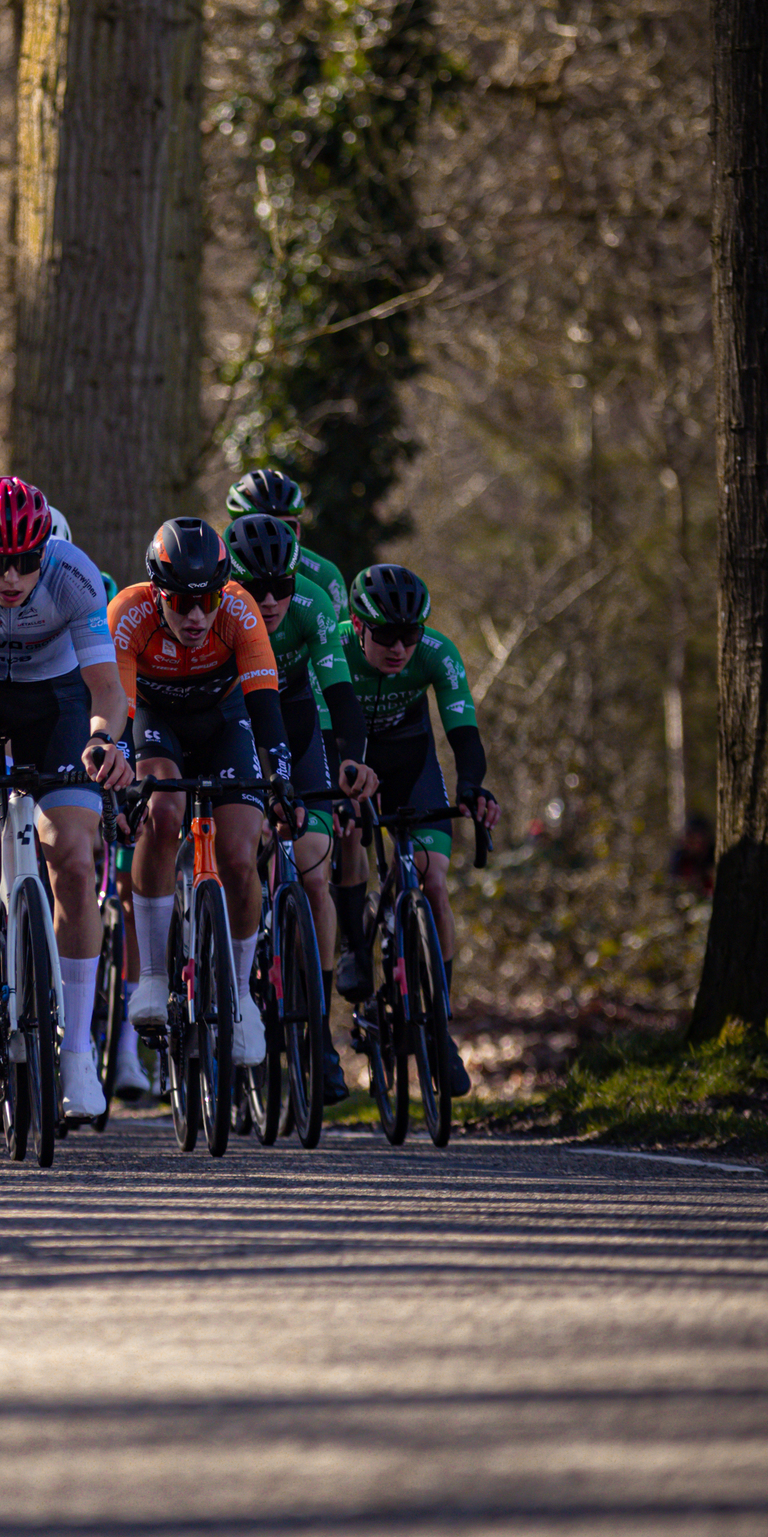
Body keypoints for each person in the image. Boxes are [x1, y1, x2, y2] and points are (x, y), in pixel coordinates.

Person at [0, 476, 131, 1121]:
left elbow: (106, 687)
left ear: (45, 552)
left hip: (56, 702)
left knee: (73, 858)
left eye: (27, 561)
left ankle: (77, 1049)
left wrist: (105, 742)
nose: (13, 576)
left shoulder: (73, 575)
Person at [109, 519, 293, 1068]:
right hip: (157, 720)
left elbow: (265, 706)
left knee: (239, 857)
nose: (195, 617)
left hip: (223, 721)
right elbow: (118, 710)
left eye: (207, 600)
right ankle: (153, 978)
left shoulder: (239, 610)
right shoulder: (129, 612)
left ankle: (239, 1000)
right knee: (163, 813)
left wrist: (280, 777)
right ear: (156, 593)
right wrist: (121, 786)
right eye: (181, 603)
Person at [222, 510, 373, 1105]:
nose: (270, 599)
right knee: (240, 841)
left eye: (279, 585)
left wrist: (352, 761)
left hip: (295, 720)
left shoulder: (311, 605)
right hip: (232, 715)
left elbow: (341, 694)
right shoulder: (219, 606)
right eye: (256, 587)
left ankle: (319, 1027)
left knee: (313, 859)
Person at [335, 562, 500, 1095]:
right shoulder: (332, 647)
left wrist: (472, 786)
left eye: (411, 634)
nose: (400, 648)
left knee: (432, 880)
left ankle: (438, 1029)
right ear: (358, 626)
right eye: (386, 635)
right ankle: (357, 948)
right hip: (347, 757)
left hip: (411, 761)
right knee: (350, 833)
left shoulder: (437, 652)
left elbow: (463, 731)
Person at [225, 467, 347, 627]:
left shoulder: (325, 575)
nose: (275, 538)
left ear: (298, 530)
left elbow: (343, 644)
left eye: (287, 527)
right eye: (260, 530)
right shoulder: (217, 572)